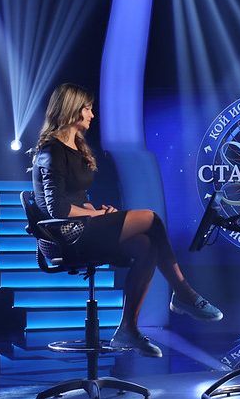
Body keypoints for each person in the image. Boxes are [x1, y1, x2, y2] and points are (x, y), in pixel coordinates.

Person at [31, 83, 223, 357]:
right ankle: (183, 293)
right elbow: (57, 209)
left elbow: (76, 198)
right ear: (72, 109)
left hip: (82, 226)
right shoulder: (51, 151)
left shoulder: (75, 148)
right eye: (88, 109)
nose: (92, 115)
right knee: (150, 218)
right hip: (65, 236)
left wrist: (96, 209)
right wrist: (97, 214)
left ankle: (128, 330)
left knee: (147, 245)